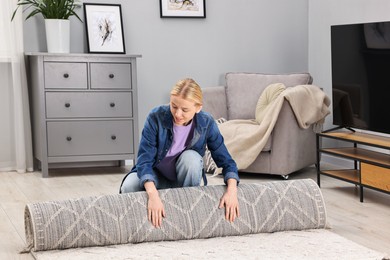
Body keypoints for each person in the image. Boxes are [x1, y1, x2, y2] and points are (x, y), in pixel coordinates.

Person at [119, 78, 240, 228]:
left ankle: (186, 209)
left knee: (191, 159)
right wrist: (152, 194)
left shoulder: (206, 123)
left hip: (183, 180)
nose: (177, 114)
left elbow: (227, 161)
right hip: (154, 177)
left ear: (198, 108)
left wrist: (232, 191)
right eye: (174, 106)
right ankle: (135, 225)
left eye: (185, 110)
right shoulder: (155, 117)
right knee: (128, 187)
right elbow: (144, 161)